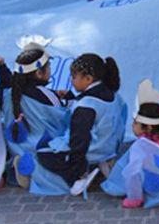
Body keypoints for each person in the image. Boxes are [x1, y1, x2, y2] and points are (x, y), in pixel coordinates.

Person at [27, 53, 126, 196]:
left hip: (93, 149)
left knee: (43, 151)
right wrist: (71, 97)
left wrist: (76, 170)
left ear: (88, 79)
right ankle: (102, 162)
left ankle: (78, 179)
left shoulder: (85, 106)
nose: (71, 80)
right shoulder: (113, 95)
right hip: (109, 145)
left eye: (74, 77)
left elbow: (79, 139)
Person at [101, 79, 159, 208]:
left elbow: (133, 173)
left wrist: (134, 198)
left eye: (135, 123)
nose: (132, 125)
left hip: (155, 186)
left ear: (148, 127)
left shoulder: (139, 147)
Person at [0, 39, 70, 188]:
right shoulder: (47, 95)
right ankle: (36, 168)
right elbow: (62, 119)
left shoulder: (9, 94)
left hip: (17, 146)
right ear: (39, 73)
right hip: (43, 145)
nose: (50, 70)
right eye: (49, 67)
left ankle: (20, 165)